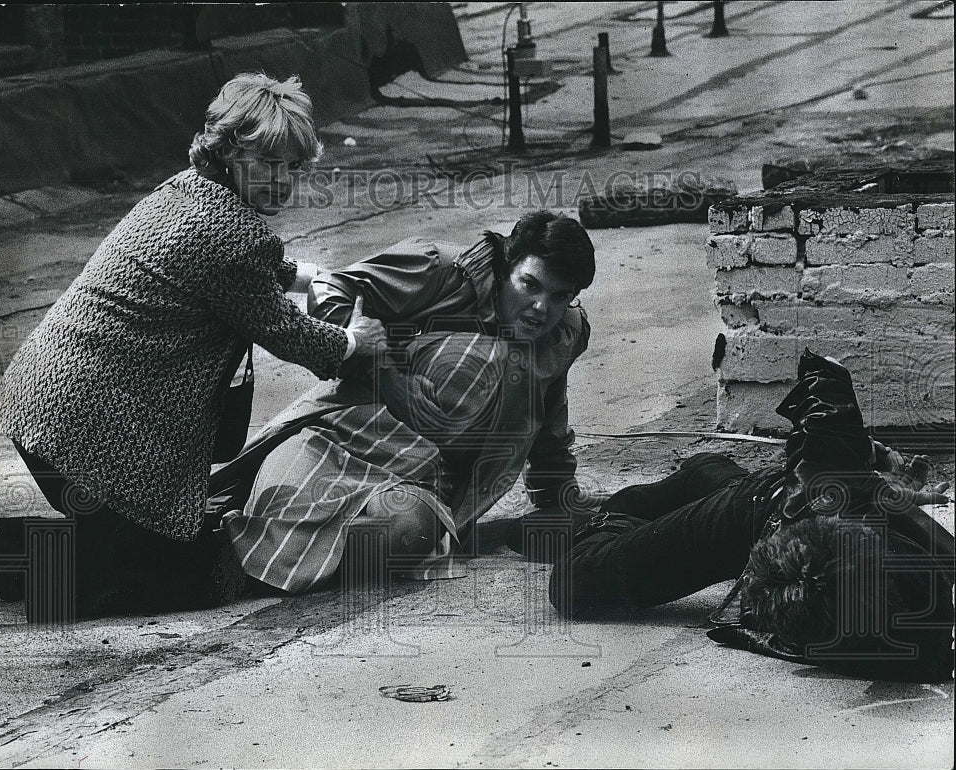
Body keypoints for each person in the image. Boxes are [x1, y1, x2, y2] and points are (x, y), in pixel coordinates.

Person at [0, 72, 388, 618]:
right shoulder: (235, 236)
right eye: (268, 163)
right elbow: (287, 333)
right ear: (231, 151)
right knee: (149, 579)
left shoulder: (183, 189)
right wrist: (355, 342)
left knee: (136, 556)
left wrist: (295, 274)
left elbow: (215, 271)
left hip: (46, 404)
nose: (283, 181)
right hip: (84, 429)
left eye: (293, 167)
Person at [208, 210, 599, 594]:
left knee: (412, 533)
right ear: (506, 267)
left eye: (560, 296)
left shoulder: (564, 331)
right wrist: (387, 376)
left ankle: (253, 553)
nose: (541, 308)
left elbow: (545, 408)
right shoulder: (439, 268)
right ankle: (214, 557)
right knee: (284, 510)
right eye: (530, 285)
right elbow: (327, 290)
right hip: (338, 438)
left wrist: (555, 496)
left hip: (423, 475)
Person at [544, 350, 954, 682]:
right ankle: (618, 515)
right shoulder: (832, 497)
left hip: (784, 507)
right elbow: (827, 388)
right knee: (574, 583)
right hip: (751, 508)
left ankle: (705, 473)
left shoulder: (899, 634)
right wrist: (874, 457)